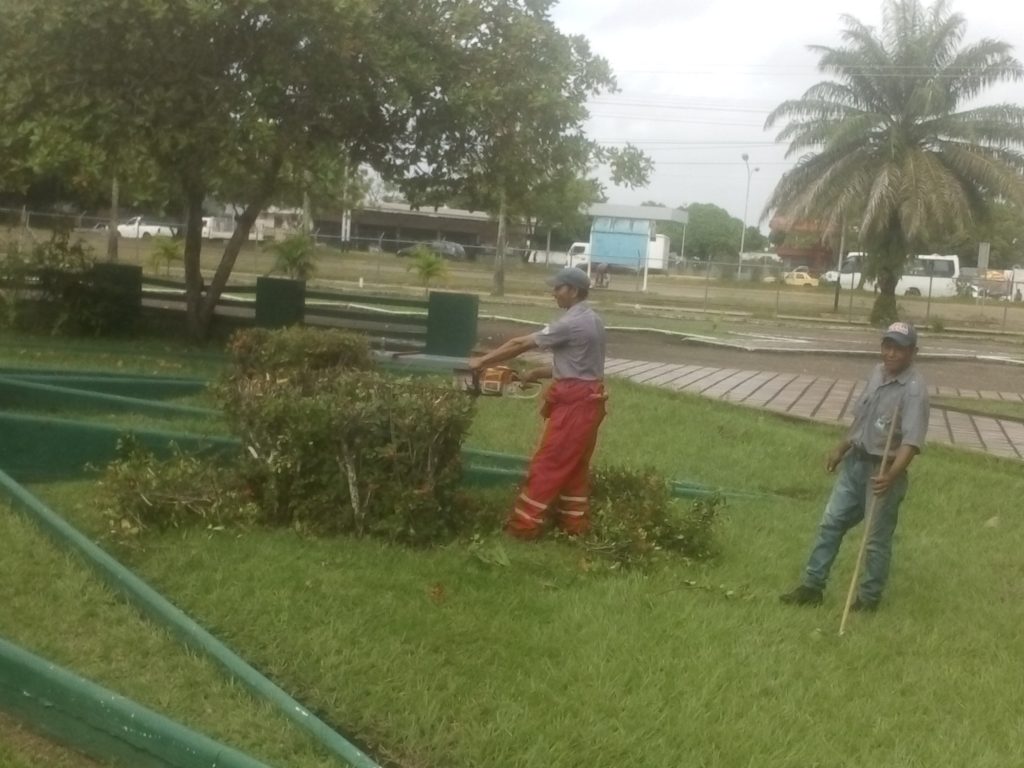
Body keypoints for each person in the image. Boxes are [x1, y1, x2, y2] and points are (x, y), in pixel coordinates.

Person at [780, 321, 930, 612]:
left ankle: (869, 599)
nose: (890, 354)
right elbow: (861, 419)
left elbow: (911, 443)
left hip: (882, 470)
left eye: (898, 349)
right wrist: (841, 447)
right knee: (830, 523)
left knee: (874, 540)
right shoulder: (876, 373)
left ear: (913, 352)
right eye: (887, 346)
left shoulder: (914, 390)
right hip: (855, 463)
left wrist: (890, 475)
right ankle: (812, 586)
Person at [467, 267, 606, 539]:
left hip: (575, 405)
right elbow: (580, 366)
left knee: (549, 463)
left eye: (558, 288)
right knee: (574, 466)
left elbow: (521, 343)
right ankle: (574, 528)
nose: (553, 293)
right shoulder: (593, 320)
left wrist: (481, 361)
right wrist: (534, 374)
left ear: (573, 291)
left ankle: (522, 529)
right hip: (590, 399)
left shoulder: (570, 323)